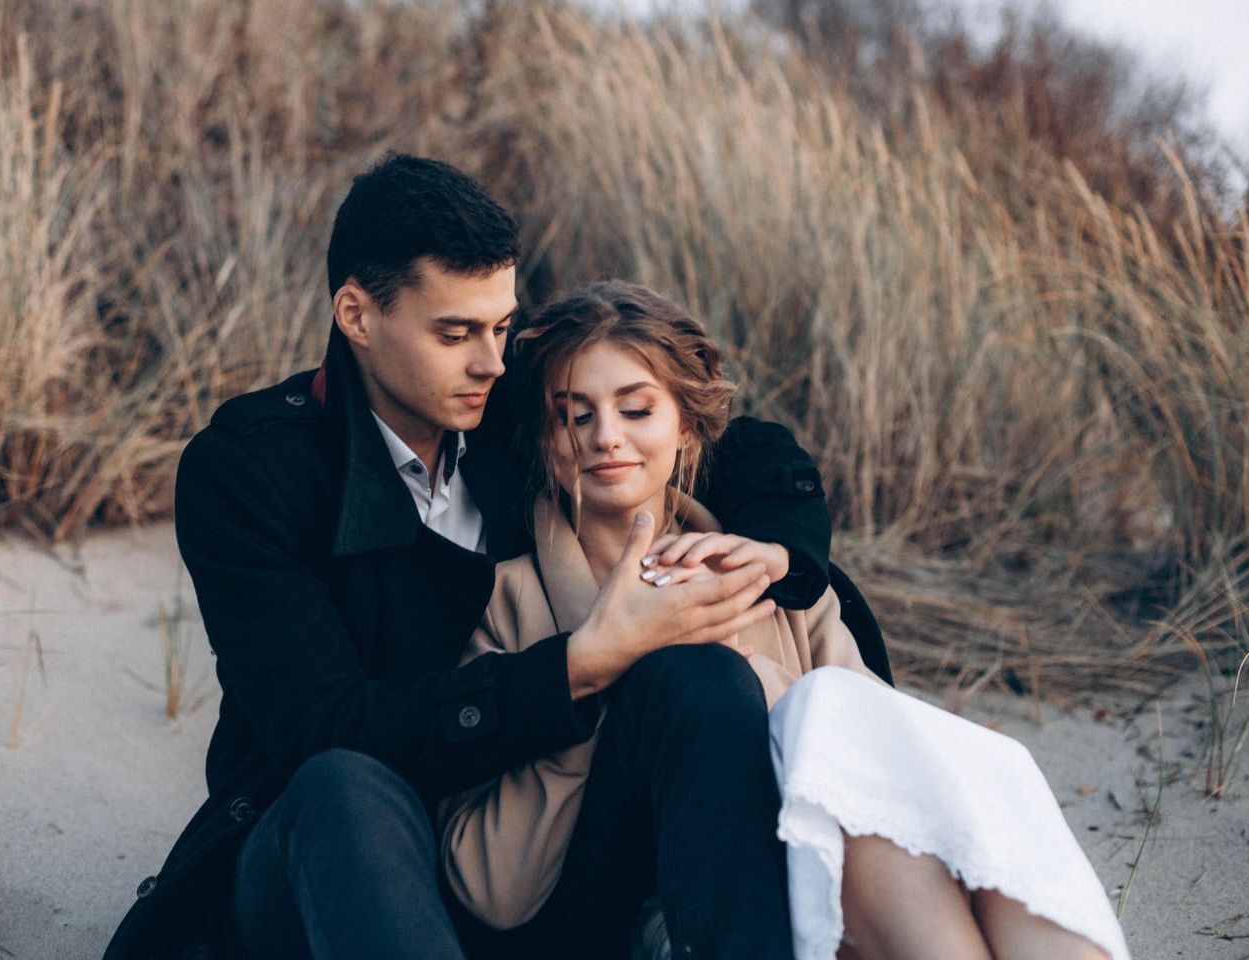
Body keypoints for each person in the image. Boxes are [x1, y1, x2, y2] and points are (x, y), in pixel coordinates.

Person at [102, 154, 860, 960]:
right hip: (329, 862)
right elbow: (324, 726)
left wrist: (777, 552)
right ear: (357, 316)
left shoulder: (507, 403)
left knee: (698, 679)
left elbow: (731, 442)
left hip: (527, 861)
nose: (492, 361)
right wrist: (579, 666)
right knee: (341, 781)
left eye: (501, 327)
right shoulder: (252, 470)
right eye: (455, 332)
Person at [439, 280, 1131, 960]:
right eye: (574, 416)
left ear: (687, 428)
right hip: (628, 915)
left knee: (953, 795)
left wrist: (749, 659)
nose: (606, 438)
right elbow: (493, 891)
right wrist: (593, 672)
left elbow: (882, 784)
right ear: (544, 436)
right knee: (711, 683)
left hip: (816, 884)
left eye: (637, 409)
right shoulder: (504, 600)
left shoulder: (777, 580)